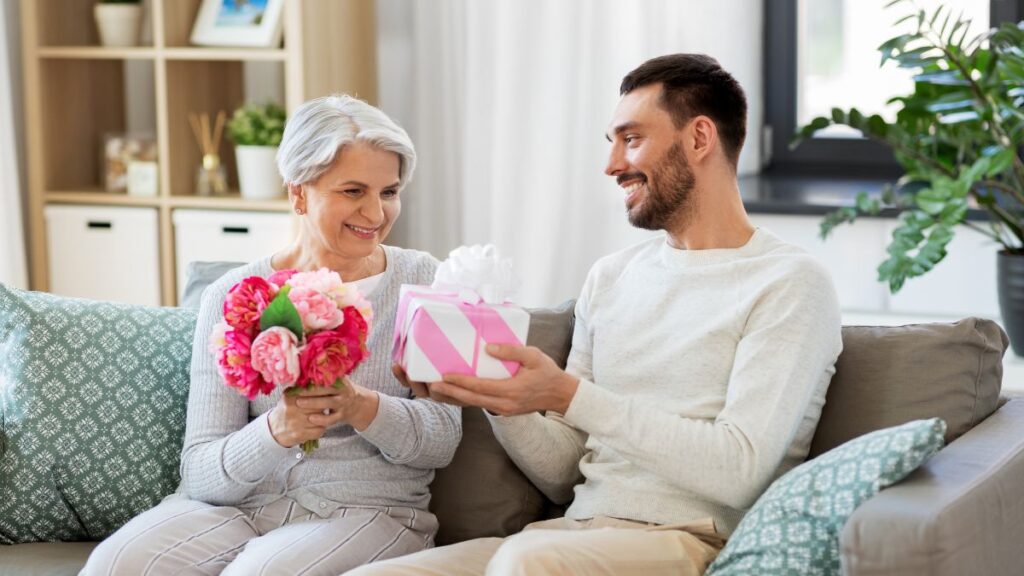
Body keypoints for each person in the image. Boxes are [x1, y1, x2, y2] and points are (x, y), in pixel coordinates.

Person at [354, 54, 843, 576]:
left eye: (631, 139)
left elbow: (739, 469)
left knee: (526, 563)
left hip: (689, 543)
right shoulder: (611, 277)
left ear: (700, 139)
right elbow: (567, 474)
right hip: (572, 536)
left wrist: (567, 394)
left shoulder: (789, 282)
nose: (611, 165)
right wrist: (503, 399)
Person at [82, 95, 461, 575]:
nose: (376, 212)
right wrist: (276, 430)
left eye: (389, 192)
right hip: (237, 510)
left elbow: (442, 440)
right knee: (116, 564)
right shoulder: (234, 296)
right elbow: (200, 473)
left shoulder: (422, 281)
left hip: (367, 512)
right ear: (298, 193)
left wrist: (361, 407)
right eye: (353, 191)